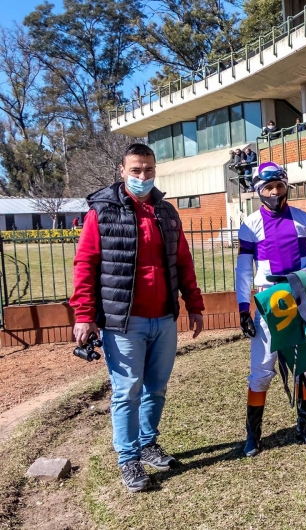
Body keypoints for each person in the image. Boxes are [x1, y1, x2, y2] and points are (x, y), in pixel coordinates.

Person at [70, 143, 205, 492]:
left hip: (163, 318)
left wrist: (194, 304)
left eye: (148, 169)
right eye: (136, 170)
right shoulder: (102, 212)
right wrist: (84, 315)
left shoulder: (166, 212)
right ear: (122, 170)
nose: (143, 176)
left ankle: (147, 443)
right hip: (123, 322)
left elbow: (183, 262)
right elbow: (85, 264)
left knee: (155, 389)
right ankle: (128, 459)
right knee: (126, 391)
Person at [236, 161, 306, 455]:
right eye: (268, 188)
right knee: (261, 371)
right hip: (268, 303)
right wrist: (243, 308)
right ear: (258, 191)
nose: (275, 192)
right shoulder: (250, 225)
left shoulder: (304, 220)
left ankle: (305, 428)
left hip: (301, 300)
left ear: (286, 186)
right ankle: (253, 436)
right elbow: (243, 270)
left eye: (279, 186)